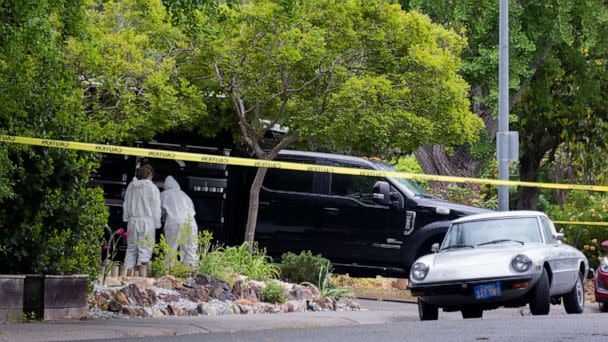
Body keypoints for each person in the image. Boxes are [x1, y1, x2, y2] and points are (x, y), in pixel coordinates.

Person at [122, 163, 161, 270]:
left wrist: (126, 218)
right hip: (147, 223)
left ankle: (126, 276)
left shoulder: (131, 186)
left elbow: (126, 203)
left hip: (132, 221)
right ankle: (140, 279)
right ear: (150, 175)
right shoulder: (153, 188)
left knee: (131, 250)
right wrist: (157, 224)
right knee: (145, 251)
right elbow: (156, 208)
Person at [161, 175, 199, 266]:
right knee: (190, 251)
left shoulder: (163, 194)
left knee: (170, 250)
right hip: (190, 222)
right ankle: (190, 275)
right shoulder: (184, 195)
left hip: (174, 222)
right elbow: (192, 211)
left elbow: (159, 212)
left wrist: (162, 220)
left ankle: (168, 275)